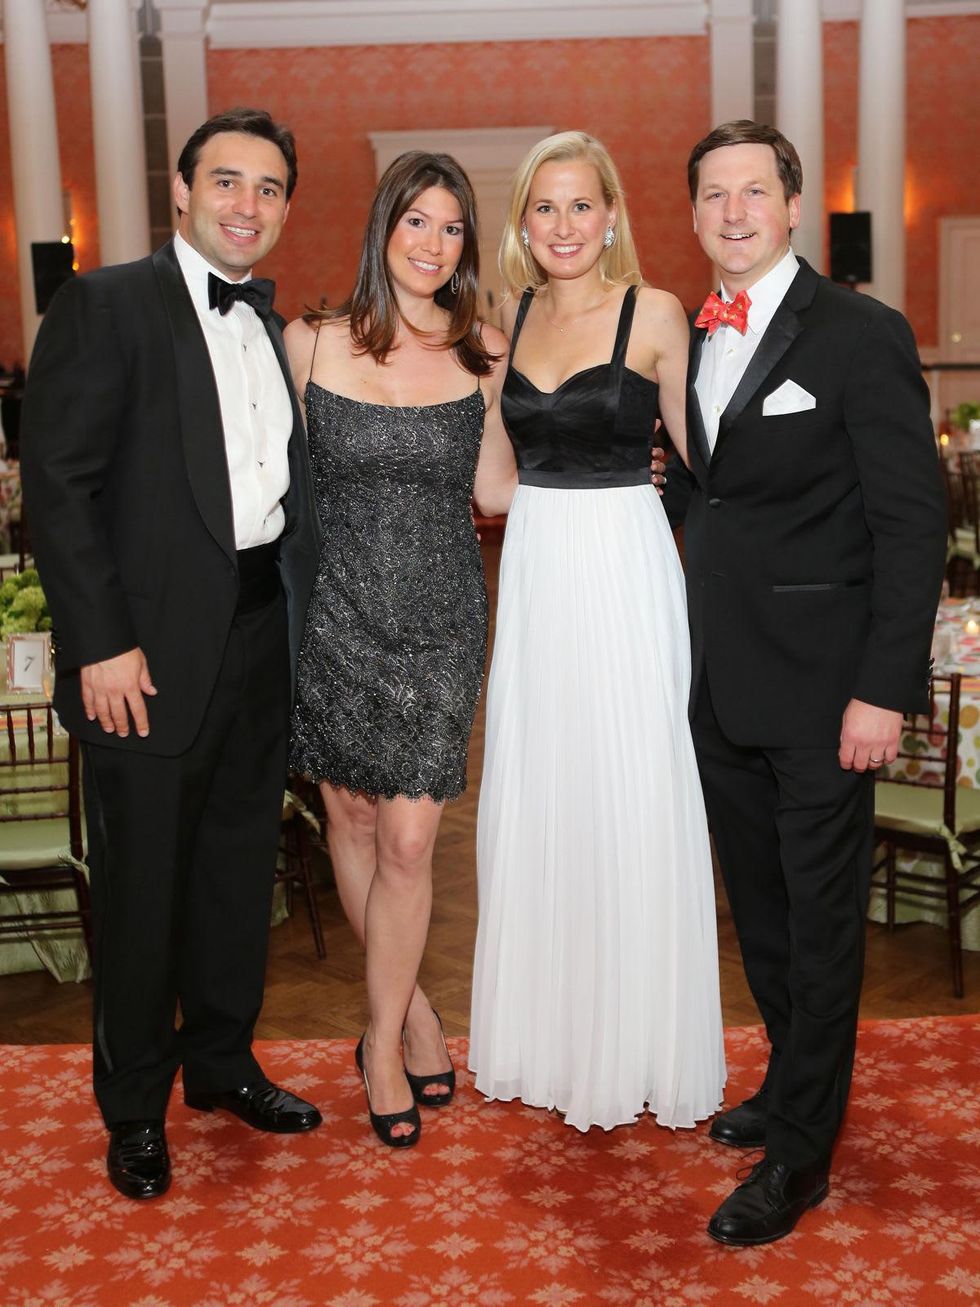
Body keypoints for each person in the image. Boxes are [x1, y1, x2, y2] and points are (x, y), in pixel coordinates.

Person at [21, 108, 323, 1201]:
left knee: (239, 874)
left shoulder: (271, 323)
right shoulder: (105, 304)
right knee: (145, 888)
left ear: (286, 206)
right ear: (183, 193)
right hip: (140, 659)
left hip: (256, 640)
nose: (249, 204)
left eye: (270, 187)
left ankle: (223, 1064)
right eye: (228, 181)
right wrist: (99, 643)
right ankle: (135, 1106)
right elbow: (58, 491)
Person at [663, 120, 947, 1245]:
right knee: (766, 916)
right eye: (711, 196)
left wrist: (882, 688)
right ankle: (792, 1086)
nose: (731, 213)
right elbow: (718, 497)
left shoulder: (858, 333)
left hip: (830, 693)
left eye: (752, 192)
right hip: (721, 685)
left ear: (789, 207)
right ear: (690, 216)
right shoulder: (687, 341)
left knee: (822, 922)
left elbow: (909, 520)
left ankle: (800, 1157)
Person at [468, 131, 726, 1133]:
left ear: (611, 214)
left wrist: (653, 483)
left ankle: (640, 1045)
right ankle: (553, 1041)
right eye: (545, 208)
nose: (564, 226)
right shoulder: (504, 319)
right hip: (536, 568)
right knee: (546, 790)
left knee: (633, 787)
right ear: (522, 224)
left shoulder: (655, 311)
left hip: (624, 565)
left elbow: (713, 459)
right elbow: (491, 478)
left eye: (581, 206)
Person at [285, 152, 514, 1147]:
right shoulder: (311, 343)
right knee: (351, 812)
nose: (431, 242)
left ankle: (375, 1041)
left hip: (438, 619)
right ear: (383, 227)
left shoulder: (486, 353)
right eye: (415, 220)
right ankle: (410, 1015)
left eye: (450, 227)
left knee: (411, 837)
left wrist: (609, 456)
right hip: (330, 612)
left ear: (466, 244)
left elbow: (501, 492)